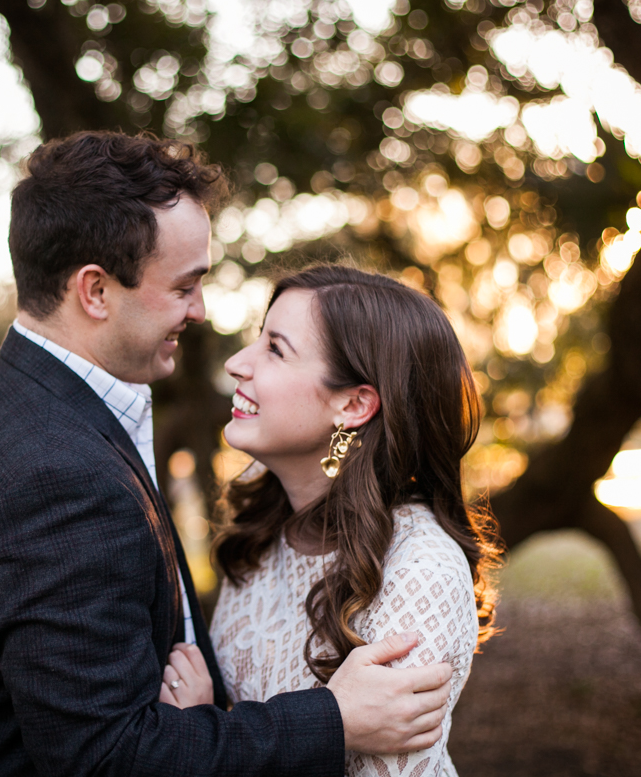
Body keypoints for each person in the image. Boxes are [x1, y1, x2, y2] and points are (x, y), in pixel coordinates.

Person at [0, 132, 455, 776]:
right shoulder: (57, 471)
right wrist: (330, 721)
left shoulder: (18, 398)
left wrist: (207, 725)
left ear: (357, 403)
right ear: (95, 291)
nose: (200, 314)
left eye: (276, 348)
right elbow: (107, 758)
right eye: (184, 286)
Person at [195, 266, 502, 777]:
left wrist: (198, 734)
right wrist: (207, 730)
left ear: (354, 404)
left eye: (275, 349)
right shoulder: (261, 534)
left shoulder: (419, 571)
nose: (237, 364)